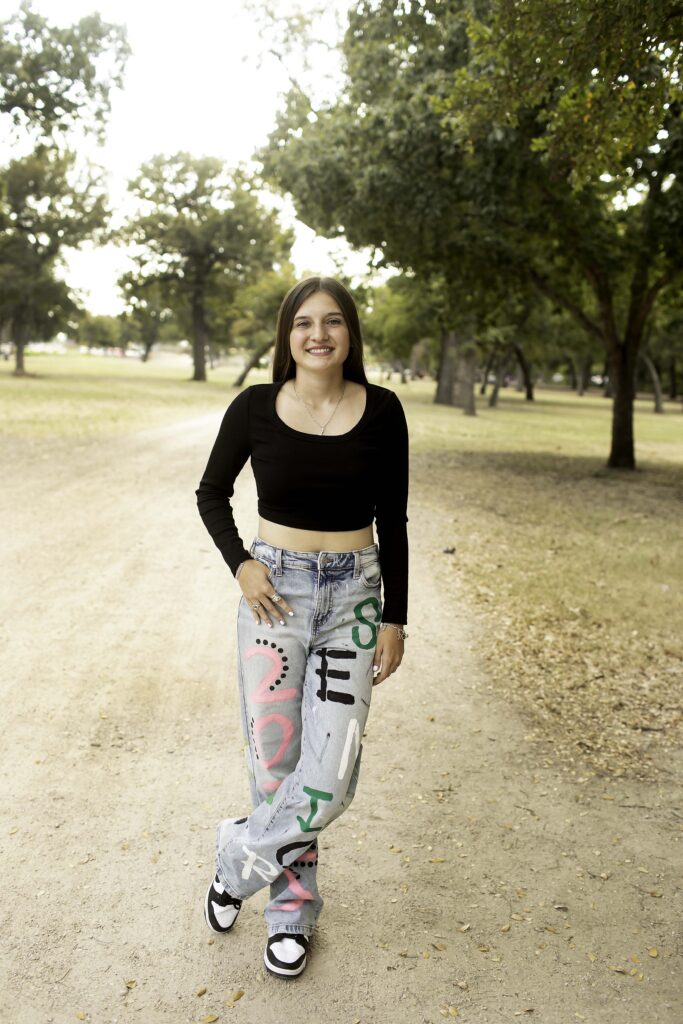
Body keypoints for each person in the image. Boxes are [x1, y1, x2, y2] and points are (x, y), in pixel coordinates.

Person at [195, 275, 409, 979]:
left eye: (333, 322)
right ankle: (289, 915)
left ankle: (236, 858)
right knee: (276, 767)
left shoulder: (382, 411)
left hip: (355, 600)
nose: (318, 334)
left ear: (350, 334)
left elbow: (394, 522)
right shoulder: (255, 406)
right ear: (287, 338)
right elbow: (211, 493)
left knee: (333, 774)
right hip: (273, 599)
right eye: (303, 324)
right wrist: (241, 566)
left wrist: (395, 618)